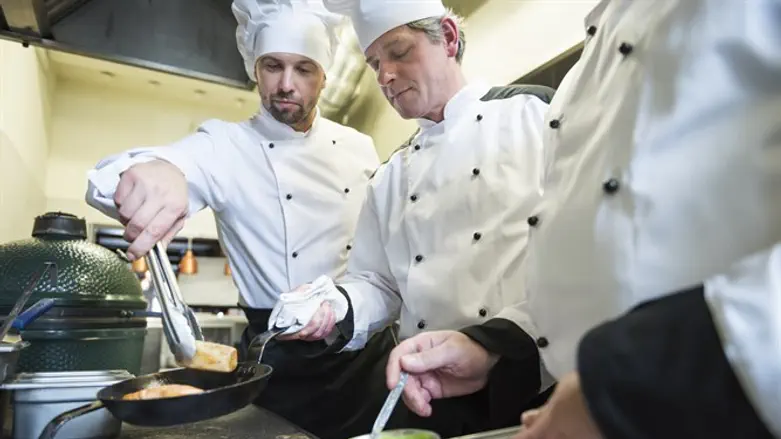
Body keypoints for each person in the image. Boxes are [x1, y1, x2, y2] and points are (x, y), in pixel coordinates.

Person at [384, 0, 781, 438]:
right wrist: (494, 346)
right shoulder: (578, 84)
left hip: (719, 405)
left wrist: (626, 385)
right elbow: (580, 273)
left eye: (399, 52)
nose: (384, 75)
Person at [84, 1, 398, 438]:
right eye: (273, 66)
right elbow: (118, 178)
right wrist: (160, 171)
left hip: (362, 350)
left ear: (324, 76)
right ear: (255, 68)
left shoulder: (360, 147)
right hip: (277, 359)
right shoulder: (226, 145)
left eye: (304, 69)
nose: (286, 84)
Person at [267, 0, 557, 436]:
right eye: (374, 63)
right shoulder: (390, 175)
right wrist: (335, 306)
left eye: (399, 52)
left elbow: (585, 250)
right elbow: (376, 282)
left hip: (534, 384)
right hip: (426, 392)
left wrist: (500, 345)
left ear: (449, 38)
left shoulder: (535, 116)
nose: (384, 76)